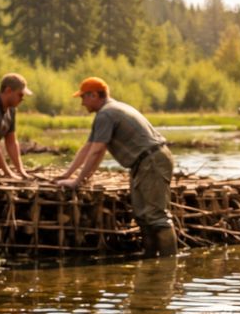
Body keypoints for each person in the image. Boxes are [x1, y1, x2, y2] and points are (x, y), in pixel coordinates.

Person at [56, 77, 178, 258]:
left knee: (156, 216)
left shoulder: (107, 113)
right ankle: (151, 258)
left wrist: (78, 181)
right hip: (145, 162)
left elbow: (97, 151)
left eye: (83, 97)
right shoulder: (108, 112)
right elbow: (89, 147)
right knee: (142, 215)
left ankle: (169, 264)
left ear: (95, 95)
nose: (82, 103)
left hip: (151, 161)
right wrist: (68, 174)